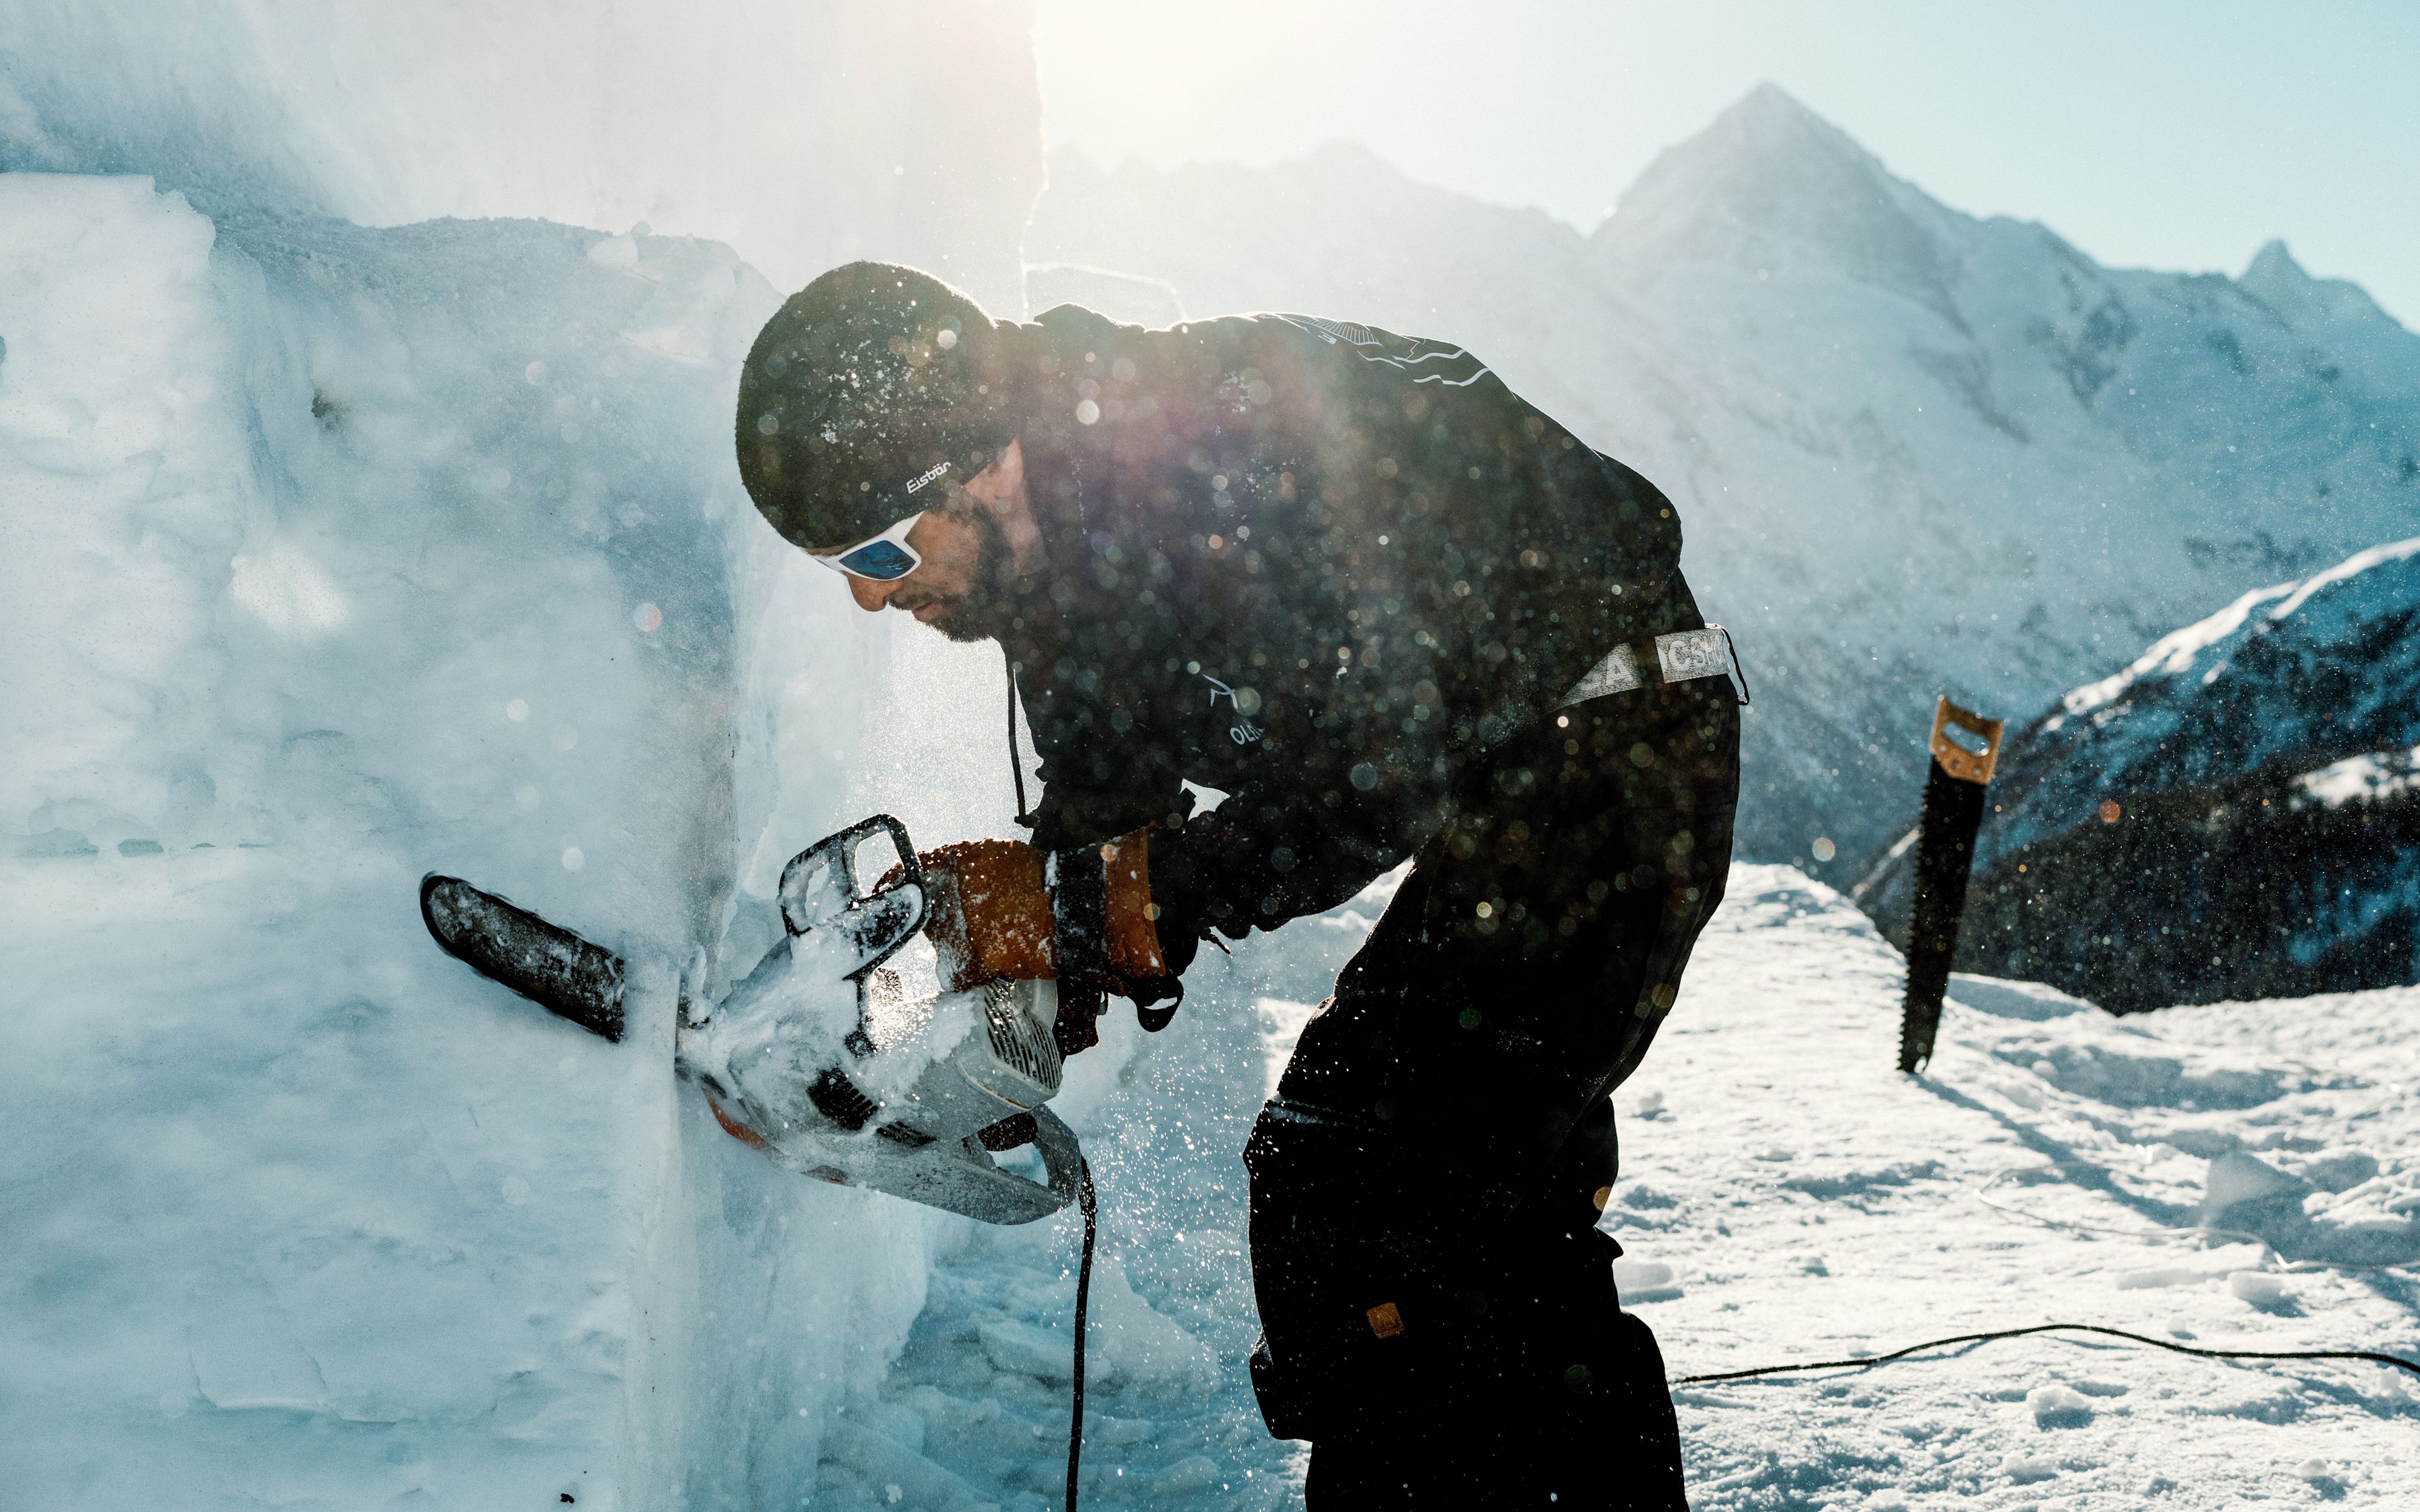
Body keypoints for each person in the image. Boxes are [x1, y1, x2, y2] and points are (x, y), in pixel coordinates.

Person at [735, 261, 1740, 1509]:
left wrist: (1111, 905)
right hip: (1520, 760)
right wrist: (1001, 1013)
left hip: (1618, 725)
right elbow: (1108, 795)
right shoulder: (1061, 545)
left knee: (1371, 1177)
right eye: (838, 567)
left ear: (975, 464)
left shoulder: (1224, 453)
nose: (870, 594)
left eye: (877, 549)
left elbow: (1387, 769)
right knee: (1458, 1203)